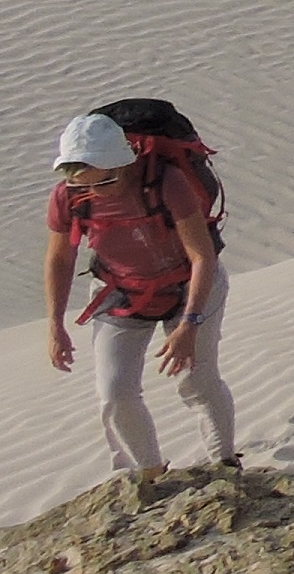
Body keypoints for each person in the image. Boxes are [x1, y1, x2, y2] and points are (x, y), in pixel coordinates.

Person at [43, 109, 237, 472]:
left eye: (104, 182)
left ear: (125, 164)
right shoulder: (68, 197)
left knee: (197, 380)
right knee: (114, 393)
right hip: (119, 295)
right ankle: (148, 475)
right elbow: (59, 260)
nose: (93, 193)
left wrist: (190, 324)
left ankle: (224, 464)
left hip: (189, 287)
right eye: (82, 184)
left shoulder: (168, 183)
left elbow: (201, 256)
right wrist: (55, 324)